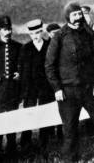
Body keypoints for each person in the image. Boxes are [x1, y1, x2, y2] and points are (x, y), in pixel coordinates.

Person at [45, 2, 94, 162]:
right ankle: (70, 159)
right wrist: (57, 88)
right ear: (67, 17)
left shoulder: (90, 33)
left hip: (90, 89)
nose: (78, 18)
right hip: (67, 92)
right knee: (70, 130)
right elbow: (49, 65)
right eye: (74, 15)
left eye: (79, 14)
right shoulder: (59, 36)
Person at [0, 15, 22, 157]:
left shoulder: (18, 47)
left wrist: (19, 74)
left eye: (9, 29)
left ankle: (12, 151)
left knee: (12, 123)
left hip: (13, 92)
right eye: (4, 29)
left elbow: (22, 66)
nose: (7, 32)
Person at [19, 19, 55, 153]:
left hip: (46, 88)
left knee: (46, 115)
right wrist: (24, 92)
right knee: (28, 115)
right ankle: (25, 144)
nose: (35, 36)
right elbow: (23, 72)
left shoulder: (49, 45)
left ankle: (44, 144)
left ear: (42, 32)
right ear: (29, 34)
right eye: (32, 33)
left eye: (38, 32)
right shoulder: (25, 48)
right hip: (31, 90)